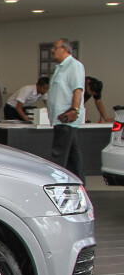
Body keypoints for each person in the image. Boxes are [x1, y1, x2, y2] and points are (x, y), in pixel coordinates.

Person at [47, 38, 86, 183]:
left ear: (65, 49)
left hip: (66, 116)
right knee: (72, 153)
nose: (52, 50)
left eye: (55, 47)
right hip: (59, 117)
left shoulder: (74, 66)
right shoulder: (60, 67)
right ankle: (79, 180)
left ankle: (55, 182)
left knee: (59, 152)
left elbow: (78, 89)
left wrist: (74, 110)